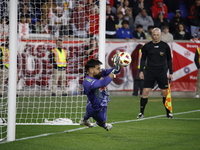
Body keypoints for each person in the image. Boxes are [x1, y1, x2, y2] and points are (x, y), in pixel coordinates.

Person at [137, 27, 173, 119]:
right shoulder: (147, 46)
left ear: (160, 35)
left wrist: (171, 72)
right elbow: (143, 59)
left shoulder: (165, 46)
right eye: (154, 35)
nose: (156, 36)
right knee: (145, 92)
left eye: (157, 35)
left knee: (164, 92)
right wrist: (141, 71)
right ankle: (141, 113)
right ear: (151, 35)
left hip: (162, 71)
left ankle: (168, 113)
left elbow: (169, 60)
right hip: (150, 72)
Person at [79, 57, 121, 131]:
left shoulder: (98, 74)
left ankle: (84, 120)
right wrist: (113, 72)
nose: (100, 70)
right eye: (98, 68)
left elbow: (115, 70)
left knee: (88, 112)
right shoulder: (87, 82)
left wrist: (118, 64)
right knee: (101, 121)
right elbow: (103, 83)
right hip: (98, 108)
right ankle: (103, 125)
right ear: (91, 70)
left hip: (91, 104)